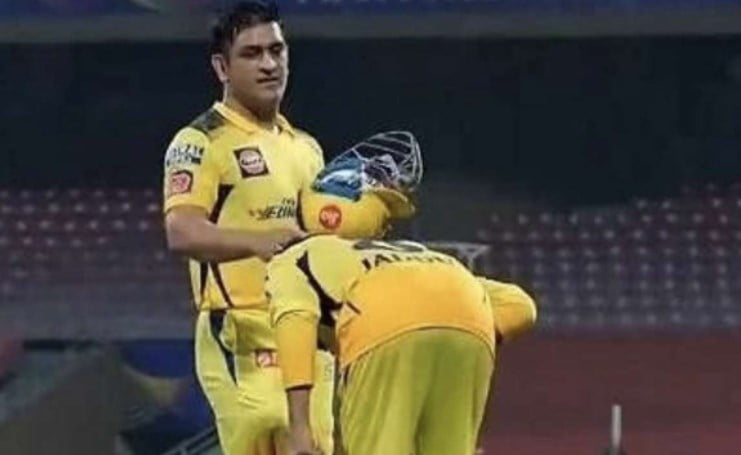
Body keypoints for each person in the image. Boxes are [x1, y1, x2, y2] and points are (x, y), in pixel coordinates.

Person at [265, 137, 537, 455]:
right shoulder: (417, 253)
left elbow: (295, 324)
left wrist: (300, 428)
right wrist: (450, 326)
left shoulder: (298, 256)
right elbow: (521, 305)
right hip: (468, 313)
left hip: (380, 323)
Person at [162, 2, 333, 454]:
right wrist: (259, 241)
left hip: (307, 334)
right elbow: (181, 231)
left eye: (277, 50)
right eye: (252, 54)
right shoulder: (201, 141)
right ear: (222, 67)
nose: (269, 64)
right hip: (239, 331)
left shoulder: (306, 148)